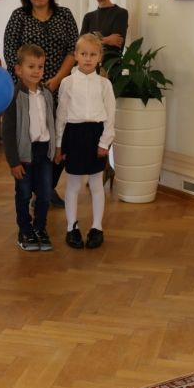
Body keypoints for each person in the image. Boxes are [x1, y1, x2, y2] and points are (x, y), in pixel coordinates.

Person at [3, 0, 78, 205]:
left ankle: (47, 187)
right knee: (34, 140)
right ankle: (33, 188)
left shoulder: (65, 15)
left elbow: (73, 50)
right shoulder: (19, 16)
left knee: (61, 140)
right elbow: (10, 52)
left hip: (60, 87)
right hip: (28, 91)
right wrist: (30, 83)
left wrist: (56, 79)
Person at [55, 33, 116, 250]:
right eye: (83, 54)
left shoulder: (105, 84)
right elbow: (61, 115)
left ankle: (97, 228)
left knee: (96, 184)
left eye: (93, 54)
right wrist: (59, 144)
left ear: (100, 57)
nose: (88, 58)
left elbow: (110, 115)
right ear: (76, 55)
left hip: (96, 135)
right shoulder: (67, 83)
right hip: (74, 135)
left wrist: (105, 142)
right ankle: (71, 227)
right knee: (73, 184)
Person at [2, 44, 57, 252]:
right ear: (19, 69)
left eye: (40, 67)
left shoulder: (47, 94)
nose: (36, 71)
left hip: (44, 152)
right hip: (24, 154)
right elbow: (8, 132)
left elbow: (52, 122)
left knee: (45, 194)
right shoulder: (14, 96)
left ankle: (40, 228)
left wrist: (55, 148)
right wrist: (13, 161)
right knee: (24, 194)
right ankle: (25, 230)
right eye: (31, 66)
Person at [79, 0, 128, 64]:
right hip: (89, 66)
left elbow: (117, 43)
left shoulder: (121, 13)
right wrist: (107, 40)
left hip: (112, 67)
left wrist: (92, 40)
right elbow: (81, 45)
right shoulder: (88, 17)